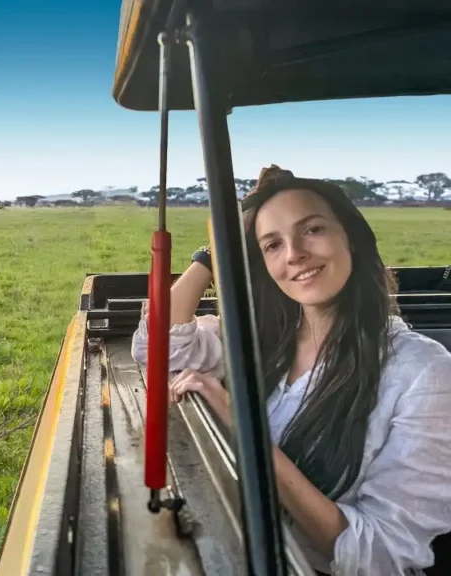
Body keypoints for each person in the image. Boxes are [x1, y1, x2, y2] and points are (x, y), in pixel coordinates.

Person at [130, 165, 451, 575]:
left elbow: (380, 553)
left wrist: (241, 426)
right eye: (272, 245)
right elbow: (155, 348)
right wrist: (214, 252)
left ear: (352, 239)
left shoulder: (423, 373)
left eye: (312, 229)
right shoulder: (263, 340)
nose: (294, 253)